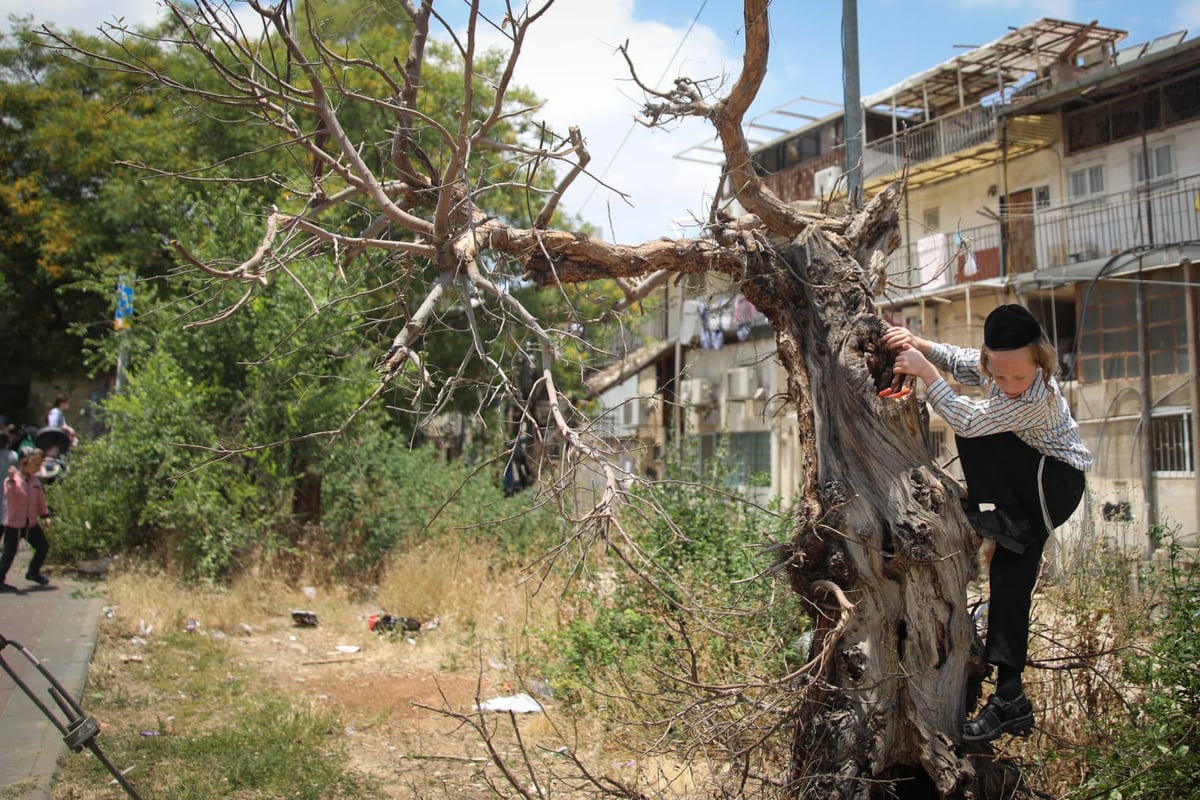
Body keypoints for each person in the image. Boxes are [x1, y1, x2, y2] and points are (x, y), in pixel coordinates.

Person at [882, 304, 1091, 744]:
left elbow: (966, 420)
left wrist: (926, 374)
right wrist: (920, 345)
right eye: (1000, 377)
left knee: (974, 428)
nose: (1010, 387)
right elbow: (963, 361)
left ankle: (993, 512)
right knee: (1009, 579)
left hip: (1052, 485)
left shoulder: (1037, 399)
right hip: (1030, 488)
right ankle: (1010, 696)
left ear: (1042, 363)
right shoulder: (999, 375)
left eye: (1019, 377)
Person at [1, 446, 53, 591]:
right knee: (9, 554)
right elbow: (10, 497)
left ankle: (33, 572)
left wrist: (45, 515)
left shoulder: (35, 481)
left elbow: (40, 500)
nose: (38, 468)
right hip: (14, 524)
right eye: (36, 464)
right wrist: (11, 480)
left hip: (31, 523)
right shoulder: (13, 480)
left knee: (43, 546)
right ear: (24, 463)